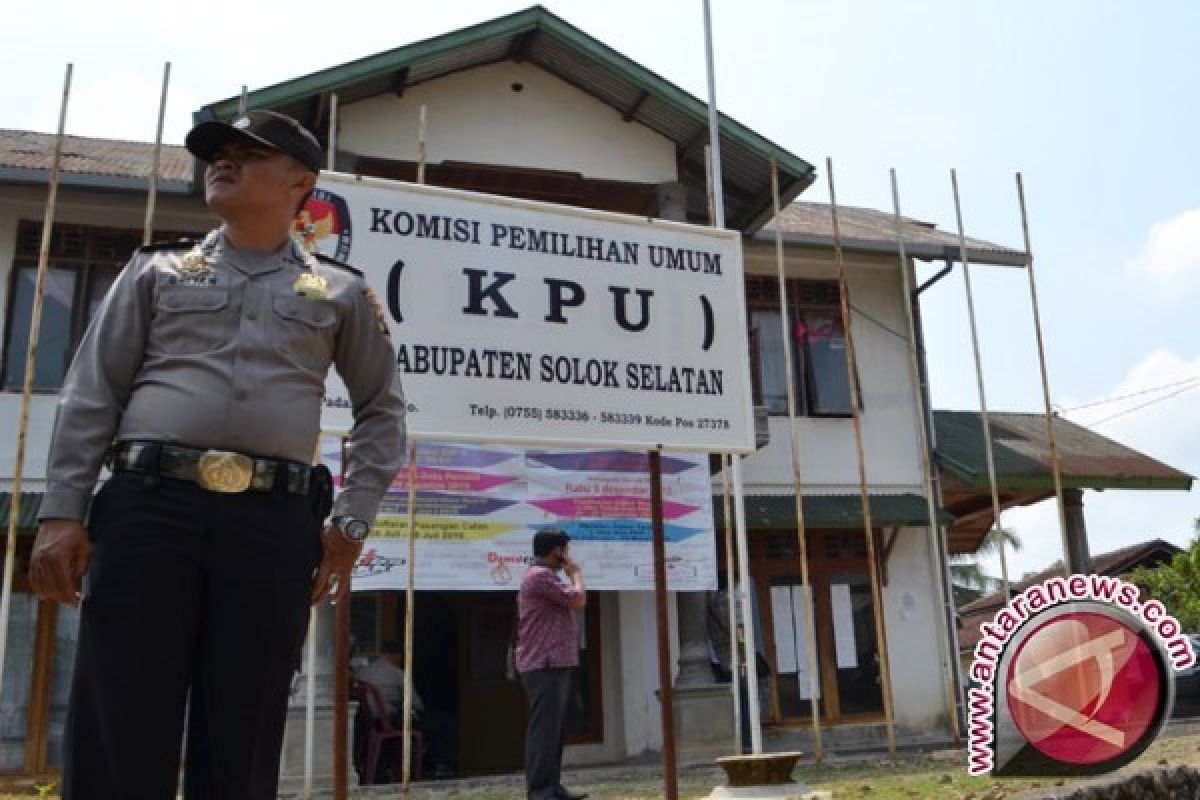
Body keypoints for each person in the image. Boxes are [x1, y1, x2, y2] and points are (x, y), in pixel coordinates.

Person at [28, 110, 406, 799]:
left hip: (272, 524)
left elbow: (383, 410)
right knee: (122, 708)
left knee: (246, 719)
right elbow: (91, 393)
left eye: (247, 154)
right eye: (217, 155)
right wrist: (61, 511)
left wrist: (351, 522)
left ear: (302, 183)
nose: (223, 163)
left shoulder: (341, 291)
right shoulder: (157, 270)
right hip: (148, 509)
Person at [515, 528, 587, 800]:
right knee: (544, 729)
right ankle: (540, 790)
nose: (567, 556)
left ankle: (553, 786)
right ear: (556, 551)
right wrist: (576, 574)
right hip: (543, 663)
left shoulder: (546, 577)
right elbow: (578, 599)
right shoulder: (540, 576)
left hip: (556, 662)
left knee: (555, 730)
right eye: (564, 550)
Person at [354, 642, 458, 780]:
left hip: (367, 721)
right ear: (396, 656)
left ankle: (385, 766)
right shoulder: (397, 674)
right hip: (388, 721)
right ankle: (442, 767)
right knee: (445, 722)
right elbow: (416, 704)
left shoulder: (362, 672)